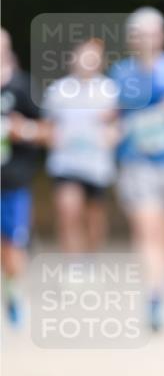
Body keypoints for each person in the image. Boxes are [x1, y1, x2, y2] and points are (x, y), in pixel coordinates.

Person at [110, 8, 164, 331]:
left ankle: (161, 278)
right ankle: (155, 295)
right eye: (140, 34)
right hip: (137, 163)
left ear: (162, 35)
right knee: (147, 228)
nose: (147, 39)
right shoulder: (121, 73)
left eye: (152, 33)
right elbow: (113, 117)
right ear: (132, 39)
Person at [43, 38, 119, 253]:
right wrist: (51, 138)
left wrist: (113, 134)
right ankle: (73, 261)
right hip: (66, 163)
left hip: (97, 164)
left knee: (94, 217)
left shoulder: (109, 89)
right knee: (68, 211)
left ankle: (90, 256)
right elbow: (48, 125)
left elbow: (116, 124)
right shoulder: (59, 90)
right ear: (73, 59)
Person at [1, 27, 51, 326]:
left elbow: (49, 132)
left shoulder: (21, 87)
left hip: (13, 182)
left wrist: (25, 130)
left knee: (12, 244)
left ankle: (15, 296)